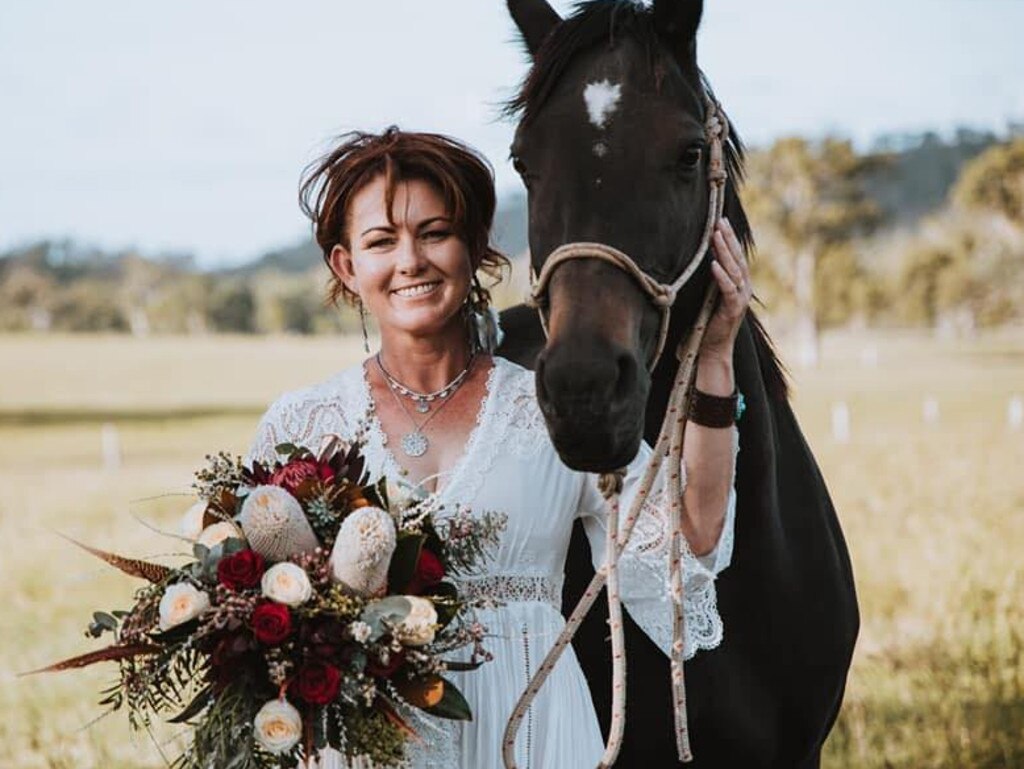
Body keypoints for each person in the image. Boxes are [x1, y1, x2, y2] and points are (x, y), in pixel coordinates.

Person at [246, 128, 752, 768]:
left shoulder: (554, 412)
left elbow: (689, 549)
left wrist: (714, 357)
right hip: (368, 747)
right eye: (381, 241)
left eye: (435, 233)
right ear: (347, 266)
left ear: (474, 246)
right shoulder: (301, 424)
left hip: (534, 734)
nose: (411, 261)